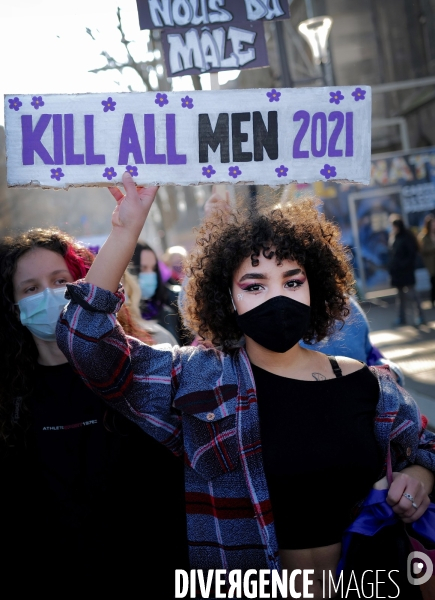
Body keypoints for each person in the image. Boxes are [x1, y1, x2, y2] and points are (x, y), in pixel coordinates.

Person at [57, 173, 435, 599]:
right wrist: (127, 229)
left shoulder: (367, 384)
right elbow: (86, 342)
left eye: (293, 282)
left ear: (318, 286)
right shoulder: (199, 378)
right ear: (226, 297)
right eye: (254, 285)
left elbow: (426, 445)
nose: (279, 298)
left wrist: (420, 474)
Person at [0, 227, 188, 594]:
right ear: (14, 305)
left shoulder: (133, 375)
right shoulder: (10, 401)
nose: (50, 295)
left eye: (60, 281)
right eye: (31, 288)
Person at [130, 241, 183, 344]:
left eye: (154, 268)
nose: (150, 274)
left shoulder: (167, 313)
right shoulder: (122, 317)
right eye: (143, 268)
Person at [388, 214, 426, 326]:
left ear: (397, 226)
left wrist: (402, 265)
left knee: (413, 294)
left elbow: (411, 254)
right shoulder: (394, 237)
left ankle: (420, 317)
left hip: (406, 271)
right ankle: (401, 318)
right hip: (398, 272)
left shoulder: (406, 237)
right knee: (400, 297)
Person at [418, 213, 435, 308]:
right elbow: (423, 250)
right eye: (432, 224)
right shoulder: (425, 237)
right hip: (431, 264)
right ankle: (432, 300)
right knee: (433, 283)